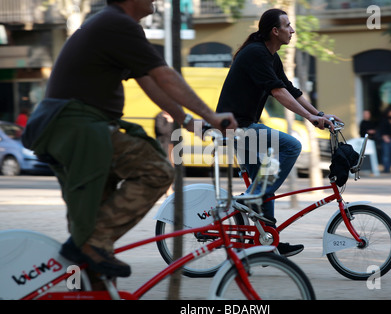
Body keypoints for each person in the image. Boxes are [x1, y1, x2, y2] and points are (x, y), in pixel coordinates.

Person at [22, 0, 237, 278]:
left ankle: (91, 264)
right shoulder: (118, 24)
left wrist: (188, 121)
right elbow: (165, 76)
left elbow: (150, 82)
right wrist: (212, 115)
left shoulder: (114, 25)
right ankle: (88, 243)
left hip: (71, 129)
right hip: (77, 127)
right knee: (156, 171)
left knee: (97, 238)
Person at [216, 8, 342, 257]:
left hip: (242, 128)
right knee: (291, 146)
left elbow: (290, 89)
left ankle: (266, 242)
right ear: (275, 31)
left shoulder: (270, 57)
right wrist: (310, 119)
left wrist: (320, 114)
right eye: (288, 26)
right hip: (238, 128)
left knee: (265, 186)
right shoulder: (256, 54)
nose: (292, 30)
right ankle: (251, 199)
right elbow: (278, 92)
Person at [378, 107, 391, 173]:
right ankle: (386, 168)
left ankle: (389, 166)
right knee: (386, 154)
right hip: (385, 138)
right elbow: (381, 129)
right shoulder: (383, 119)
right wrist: (384, 136)